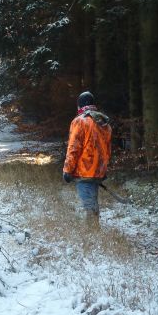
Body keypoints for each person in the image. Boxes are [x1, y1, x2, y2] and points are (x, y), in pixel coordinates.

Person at [62, 91, 112, 228]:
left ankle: (93, 232)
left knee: (89, 206)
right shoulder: (104, 123)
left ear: (80, 105)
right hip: (99, 171)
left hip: (84, 171)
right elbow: (107, 150)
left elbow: (73, 148)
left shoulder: (80, 121)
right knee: (93, 202)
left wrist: (67, 170)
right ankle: (94, 229)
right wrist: (103, 169)